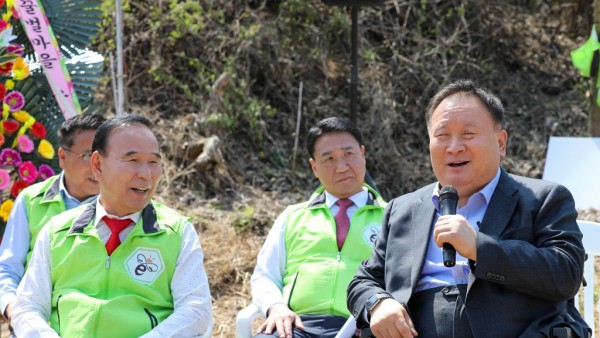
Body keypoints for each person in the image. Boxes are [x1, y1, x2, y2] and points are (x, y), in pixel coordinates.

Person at [346, 79, 590, 338]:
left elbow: (567, 273)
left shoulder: (543, 199)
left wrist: (480, 248)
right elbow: (362, 281)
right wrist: (378, 302)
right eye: (442, 136)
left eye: (468, 134)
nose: (454, 147)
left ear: (501, 143)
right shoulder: (402, 210)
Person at [10, 114, 212, 337]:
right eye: (132, 160)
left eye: (154, 162)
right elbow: (28, 306)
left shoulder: (177, 232)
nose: (146, 174)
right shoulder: (57, 231)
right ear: (98, 164)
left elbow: (196, 311)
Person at [251, 117, 386, 338]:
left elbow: (405, 280)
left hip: (363, 327)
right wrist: (276, 306)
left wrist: (377, 313)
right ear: (314, 167)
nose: (341, 167)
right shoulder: (293, 216)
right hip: (296, 326)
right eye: (329, 159)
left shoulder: (392, 216)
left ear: (363, 154)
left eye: (348, 154)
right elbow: (264, 275)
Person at [0, 113, 106, 322]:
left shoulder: (122, 206)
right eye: (87, 156)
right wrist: (13, 308)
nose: (97, 166)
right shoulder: (31, 200)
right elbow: (8, 267)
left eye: (104, 156)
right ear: (62, 157)